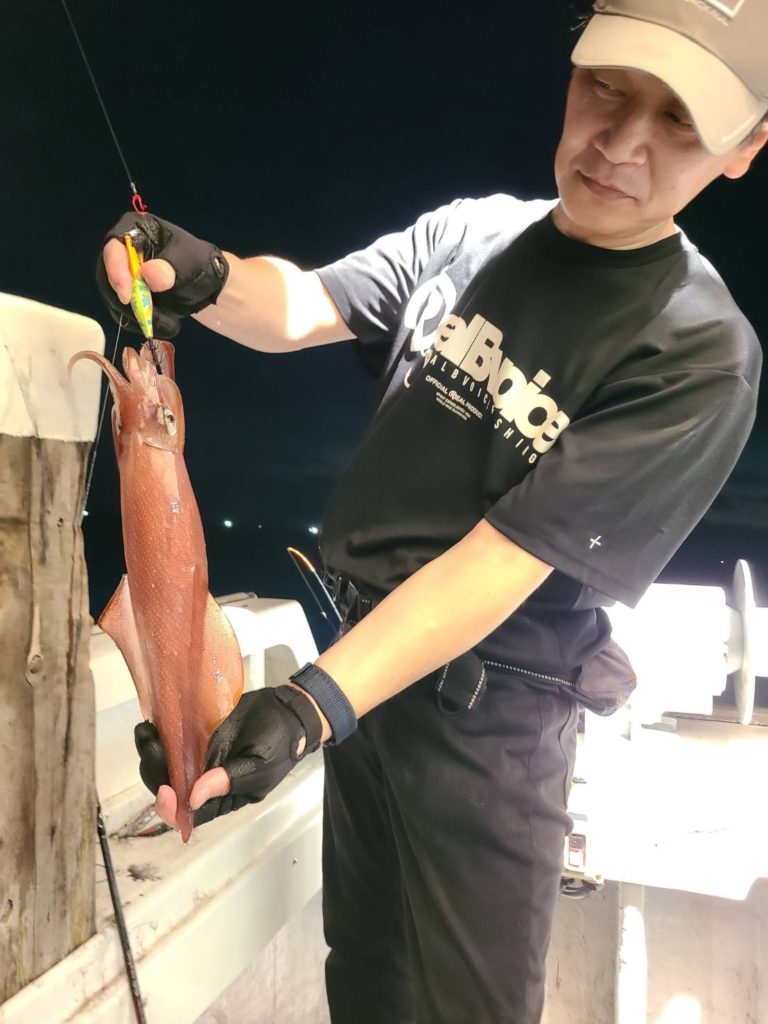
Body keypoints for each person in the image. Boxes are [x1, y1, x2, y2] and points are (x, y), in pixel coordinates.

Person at [98, 2, 768, 1021]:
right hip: (362, 674)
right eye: (606, 88)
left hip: (489, 724)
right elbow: (301, 306)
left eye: (678, 120)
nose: (621, 143)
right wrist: (204, 273)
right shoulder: (474, 232)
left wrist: (310, 706)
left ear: (747, 146)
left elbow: (501, 563)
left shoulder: (698, 352)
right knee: (365, 977)